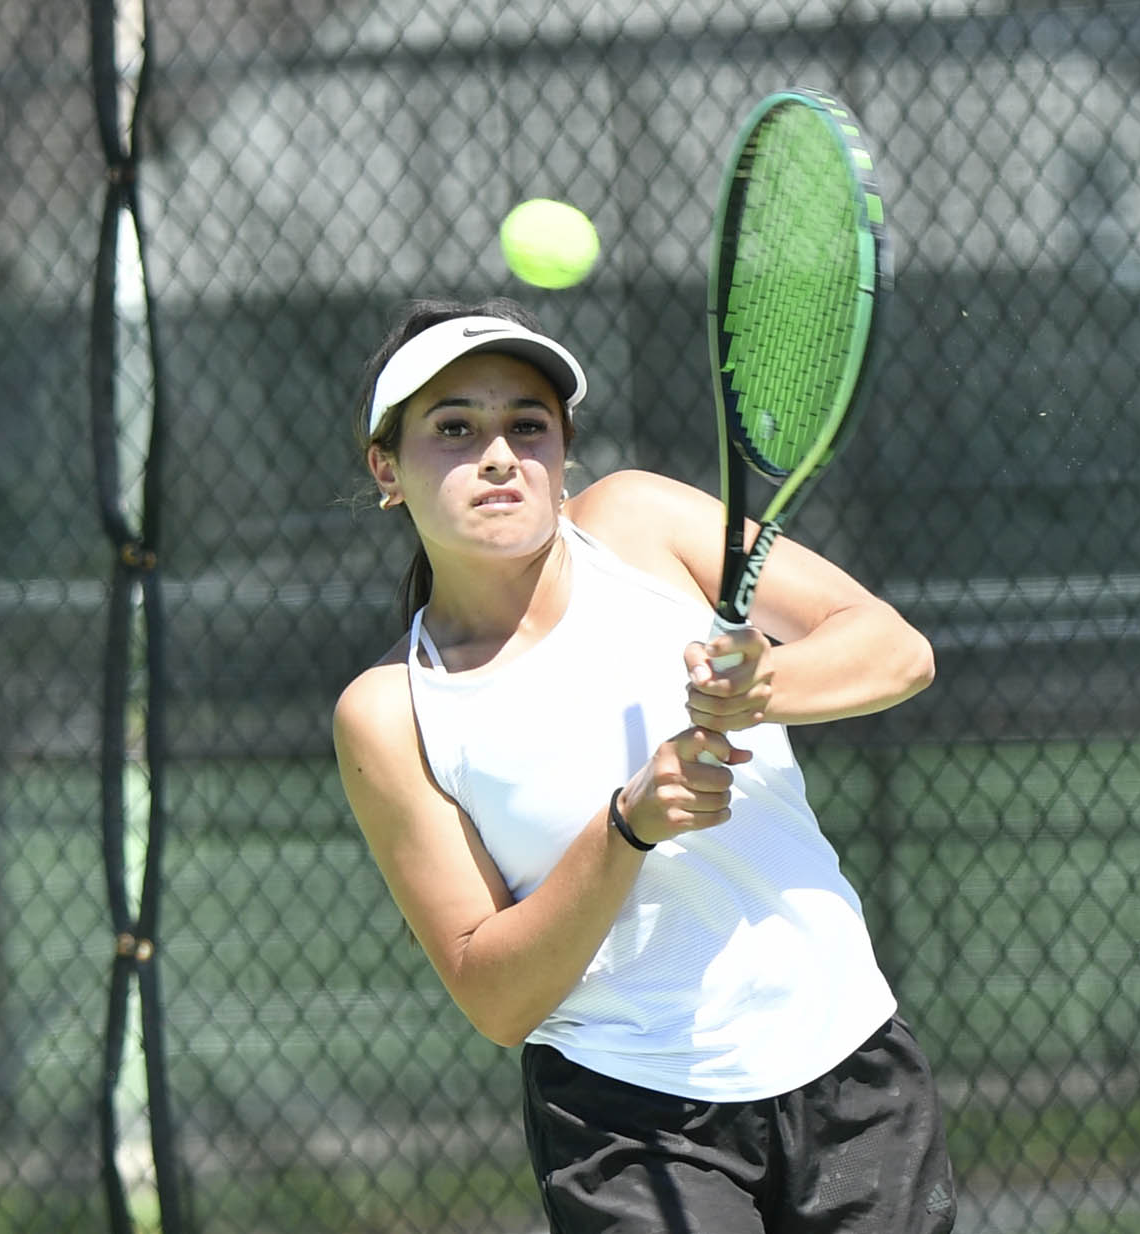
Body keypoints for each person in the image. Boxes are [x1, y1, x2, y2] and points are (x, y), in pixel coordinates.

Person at [333, 295, 955, 1233]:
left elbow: (896, 651)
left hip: (847, 1057)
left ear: (563, 455)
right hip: (626, 1116)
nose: (498, 455)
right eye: (454, 429)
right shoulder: (389, 710)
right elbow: (496, 997)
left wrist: (764, 686)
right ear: (387, 469)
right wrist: (626, 827)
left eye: (528, 426)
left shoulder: (639, 520)